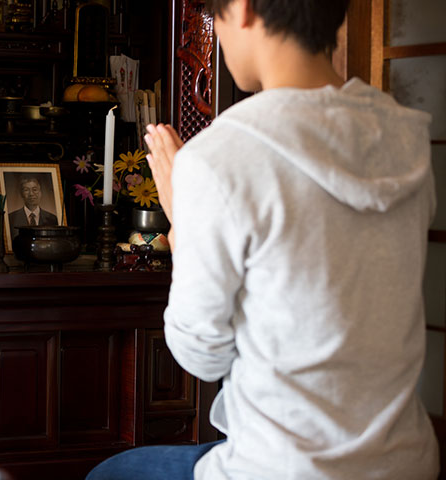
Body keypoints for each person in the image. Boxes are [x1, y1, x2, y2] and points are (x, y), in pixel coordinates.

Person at [86, 0, 439, 479]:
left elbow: (201, 356)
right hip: (405, 462)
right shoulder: (403, 134)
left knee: (112, 474)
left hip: (280, 469)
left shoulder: (223, 155)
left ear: (244, 9)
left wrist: (185, 218)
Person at [8, 176, 58, 244]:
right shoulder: (10, 218)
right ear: (21, 194)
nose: (31, 194)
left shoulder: (52, 218)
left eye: (34, 189)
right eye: (26, 190)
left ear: (40, 193)